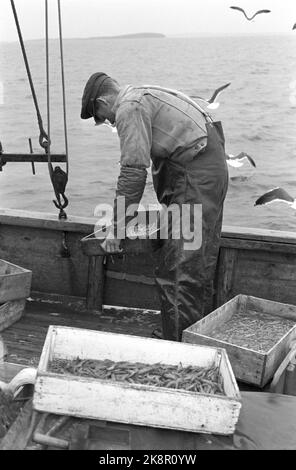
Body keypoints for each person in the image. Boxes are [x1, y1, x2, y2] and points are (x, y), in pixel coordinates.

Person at [81, 72, 229, 341]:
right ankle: (191, 336)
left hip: (195, 179)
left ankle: (178, 349)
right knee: (197, 261)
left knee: (179, 267)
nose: (105, 121)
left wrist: (117, 228)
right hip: (207, 172)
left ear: (104, 100)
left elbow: (133, 172)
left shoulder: (129, 107)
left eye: (100, 115)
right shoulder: (146, 92)